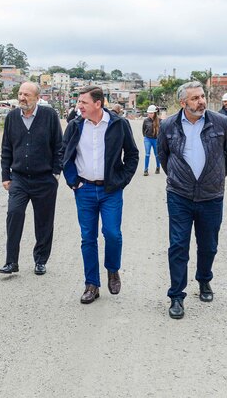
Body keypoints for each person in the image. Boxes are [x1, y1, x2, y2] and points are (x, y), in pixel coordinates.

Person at [158, 81, 227, 319]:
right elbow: (163, 155)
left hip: (211, 196)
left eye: (202, 96)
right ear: (183, 102)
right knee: (178, 246)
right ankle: (176, 295)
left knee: (208, 245)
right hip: (179, 195)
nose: (201, 101)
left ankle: (204, 280)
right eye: (195, 98)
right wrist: (178, 177)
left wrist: (218, 174)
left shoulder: (221, 122)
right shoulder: (168, 125)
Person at [62, 85, 139, 304]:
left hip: (110, 191)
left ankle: (113, 270)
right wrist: (72, 181)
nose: (79, 106)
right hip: (84, 190)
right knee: (88, 238)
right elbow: (63, 153)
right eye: (79, 102)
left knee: (113, 233)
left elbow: (132, 155)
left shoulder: (119, 124)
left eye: (83, 102)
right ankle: (91, 284)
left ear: (98, 104)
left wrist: (121, 180)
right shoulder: (75, 126)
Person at [0, 82, 64, 276]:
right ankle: (11, 262)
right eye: (20, 94)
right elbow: (6, 148)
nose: (22, 98)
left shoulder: (49, 116)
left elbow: (59, 146)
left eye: (26, 94)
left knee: (44, 221)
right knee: (14, 214)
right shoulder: (12, 118)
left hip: (44, 179)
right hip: (19, 178)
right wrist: (5, 175)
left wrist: (55, 172)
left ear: (37, 97)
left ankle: (41, 260)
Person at [142, 105, 161, 176]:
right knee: (147, 154)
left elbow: (162, 131)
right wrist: (146, 136)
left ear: (155, 113)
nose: (150, 114)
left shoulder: (159, 121)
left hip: (156, 140)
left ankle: (158, 167)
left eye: (151, 113)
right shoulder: (146, 120)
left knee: (157, 155)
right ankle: (146, 170)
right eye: (149, 113)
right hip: (147, 139)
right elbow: (143, 130)